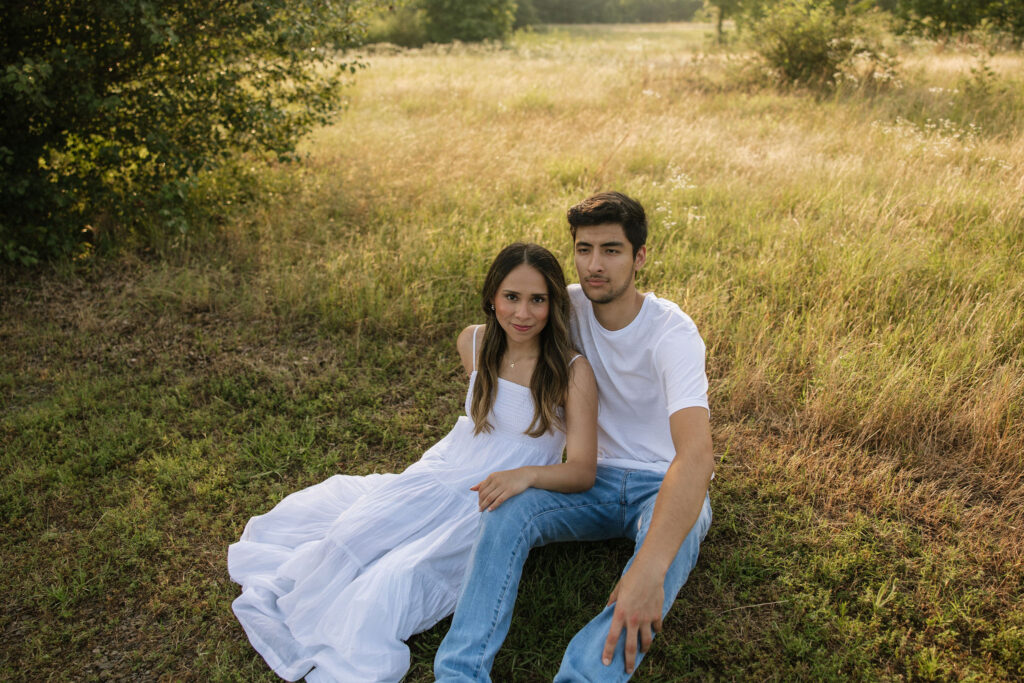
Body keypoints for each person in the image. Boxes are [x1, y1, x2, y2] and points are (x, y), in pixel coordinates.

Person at [228, 243, 598, 682]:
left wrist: (526, 475)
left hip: (494, 494)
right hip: (444, 469)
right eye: (511, 297)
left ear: (554, 303)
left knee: (394, 582)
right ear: (492, 297)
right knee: (347, 539)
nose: (523, 312)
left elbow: (582, 470)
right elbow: (486, 426)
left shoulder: (571, 372)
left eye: (538, 299)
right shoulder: (474, 342)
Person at [434, 192, 715, 681]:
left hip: (660, 484)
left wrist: (646, 569)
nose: (595, 264)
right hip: (590, 479)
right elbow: (504, 326)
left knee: (661, 561)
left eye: (611, 250)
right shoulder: (565, 307)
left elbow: (695, 457)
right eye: (584, 249)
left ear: (639, 256)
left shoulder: (673, 333)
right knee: (504, 511)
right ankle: (459, 672)